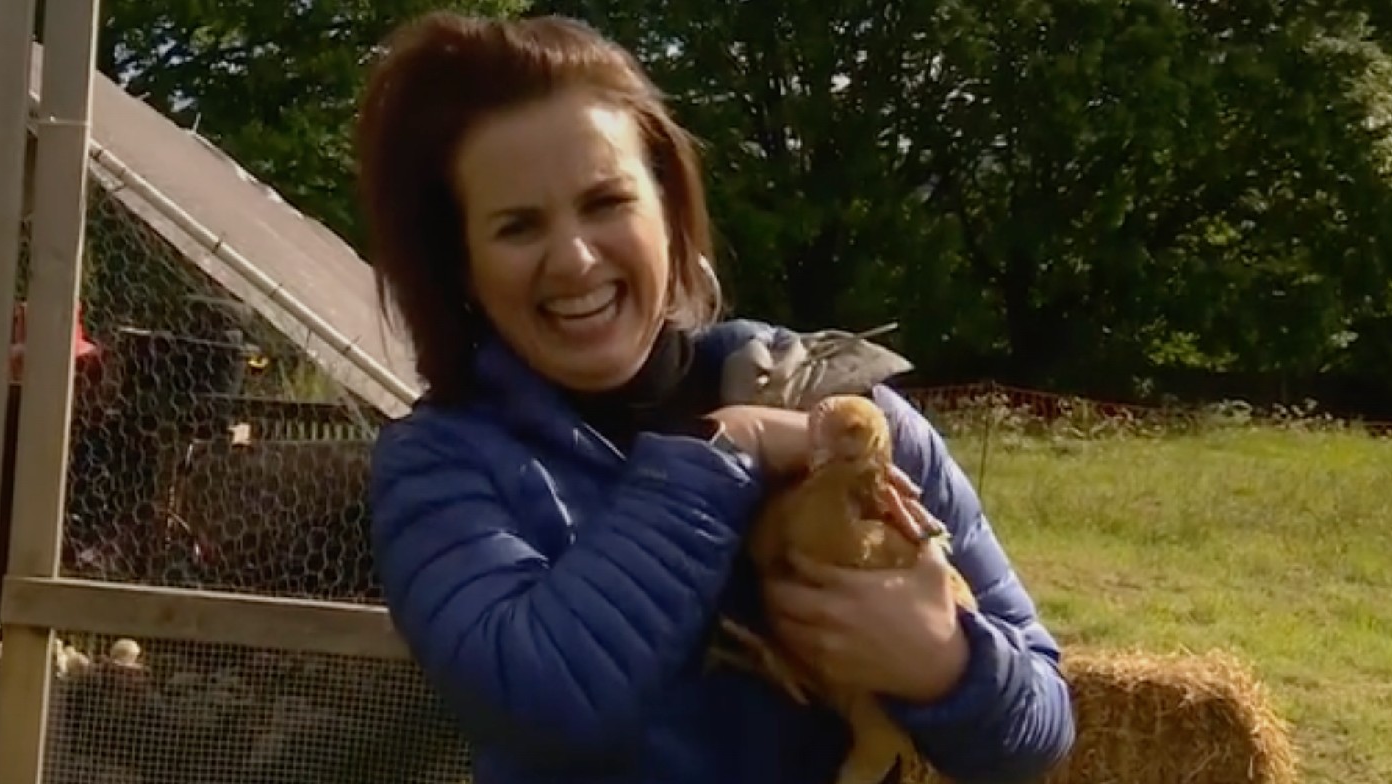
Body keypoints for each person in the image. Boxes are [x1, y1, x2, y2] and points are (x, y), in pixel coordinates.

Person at [356, 11, 1075, 784]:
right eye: (518, 227)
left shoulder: (843, 410)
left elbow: (1042, 732)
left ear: (668, 211)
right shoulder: (441, 467)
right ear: (462, 266)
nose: (573, 259)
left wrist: (949, 664)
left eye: (605, 203)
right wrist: (724, 451)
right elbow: (547, 704)